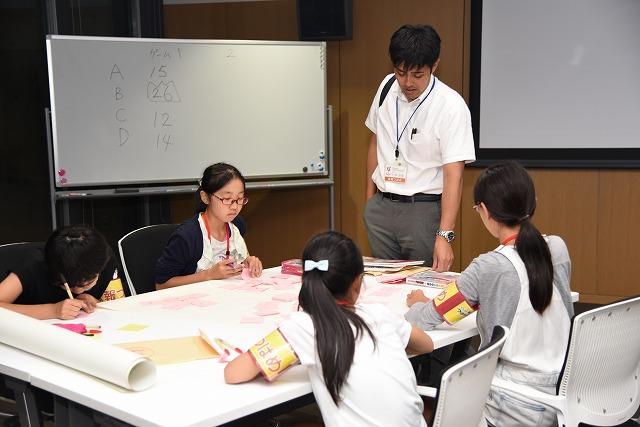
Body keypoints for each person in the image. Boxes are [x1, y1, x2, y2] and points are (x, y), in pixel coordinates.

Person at [405, 162, 574, 426]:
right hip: (564, 396)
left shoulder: (489, 266)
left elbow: (423, 319)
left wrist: (418, 303)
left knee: (441, 382)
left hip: (511, 405)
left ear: (484, 210)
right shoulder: (557, 247)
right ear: (534, 203)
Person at [225, 231, 434, 427]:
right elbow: (426, 345)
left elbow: (233, 373)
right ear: (358, 282)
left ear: (306, 280)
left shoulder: (303, 326)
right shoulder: (378, 313)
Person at [364, 24, 475, 271]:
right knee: (384, 284)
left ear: (434, 66)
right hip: (382, 207)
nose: (407, 82)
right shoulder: (386, 87)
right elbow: (375, 141)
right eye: (401, 72)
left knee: (423, 285)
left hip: (423, 212)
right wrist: (370, 202)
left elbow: (454, 175)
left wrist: (445, 236)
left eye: (417, 74)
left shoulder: (451, 106)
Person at [155, 163, 262, 290]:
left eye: (239, 198)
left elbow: (240, 258)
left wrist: (248, 262)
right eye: (227, 198)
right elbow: (161, 285)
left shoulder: (237, 224)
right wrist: (209, 275)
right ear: (205, 197)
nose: (234, 207)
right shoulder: (187, 236)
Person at [0, 225, 120, 320]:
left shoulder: (103, 261)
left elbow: (115, 304)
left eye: (87, 284)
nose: (78, 291)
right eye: (67, 285)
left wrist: (93, 302)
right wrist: (52, 310)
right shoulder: (35, 263)